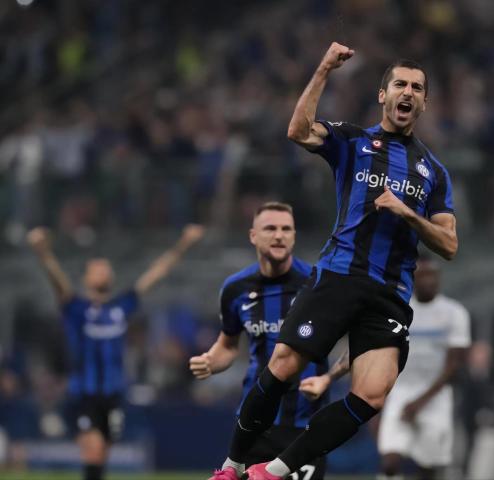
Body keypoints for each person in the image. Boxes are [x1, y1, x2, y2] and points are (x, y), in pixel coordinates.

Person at [237, 41, 458, 480]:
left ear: (424, 102)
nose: (408, 92)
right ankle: (232, 463)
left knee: (372, 396)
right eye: (400, 84)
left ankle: (274, 471)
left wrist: (407, 213)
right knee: (283, 365)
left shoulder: (434, 172)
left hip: (390, 292)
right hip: (340, 274)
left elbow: (449, 244)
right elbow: (298, 131)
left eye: (417, 87)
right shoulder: (354, 140)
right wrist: (323, 69)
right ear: (383, 94)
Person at [26, 224, 204, 480]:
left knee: (101, 455)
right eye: (96, 268)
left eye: (105, 268)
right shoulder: (76, 308)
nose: (102, 271)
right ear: (86, 278)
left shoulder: (120, 307)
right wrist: (44, 253)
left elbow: (156, 273)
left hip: (113, 395)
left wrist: (184, 243)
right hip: (83, 394)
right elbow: (58, 282)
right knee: (93, 449)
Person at [190, 202, 333, 480]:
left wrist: (329, 378)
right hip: (254, 421)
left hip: (304, 424)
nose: (279, 235)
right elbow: (228, 345)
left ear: (294, 236)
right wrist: (211, 360)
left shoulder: (317, 285)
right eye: (270, 228)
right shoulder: (235, 288)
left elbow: (353, 340)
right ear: (253, 236)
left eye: (286, 229)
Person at [375, 255, 471, 480]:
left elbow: (454, 364)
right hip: (401, 392)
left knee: (428, 466)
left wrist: (420, 402)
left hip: (436, 396)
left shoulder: (454, 313)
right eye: (423, 275)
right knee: (390, 461)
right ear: (412, 278)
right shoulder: (400, 310)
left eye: (433, 275)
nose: (429, 280)